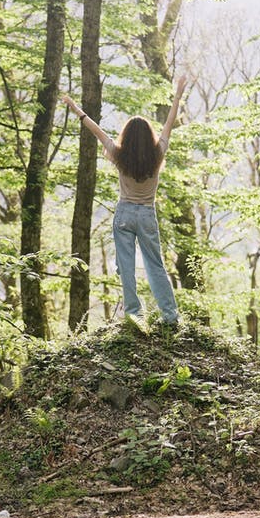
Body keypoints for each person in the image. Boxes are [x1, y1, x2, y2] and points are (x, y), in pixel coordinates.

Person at [62, 75, 187, 328]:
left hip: (124, 215)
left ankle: (134, 316)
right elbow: (169, 123)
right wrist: (178, 94)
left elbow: (96, 131)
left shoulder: (119, 155)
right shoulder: (158, 153)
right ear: (149, 136)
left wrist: (77, 110)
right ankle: (170, 317)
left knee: (126, 267)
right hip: (147, 215)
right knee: (156, 266)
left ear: (126, 137)